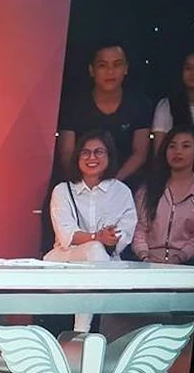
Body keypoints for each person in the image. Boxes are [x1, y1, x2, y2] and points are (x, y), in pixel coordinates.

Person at [45, 130, 136, 332]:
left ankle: (83, 331)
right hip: (66, 259)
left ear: (109, 156)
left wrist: (110, 239)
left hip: (106, 262)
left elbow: (124, 233)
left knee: (98, 251)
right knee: (94, 248)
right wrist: (97, 237)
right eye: (85, 153)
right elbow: (66, 234)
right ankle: (82, 330)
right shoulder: (62, 190)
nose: (91, 157)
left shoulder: (122, 191)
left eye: (98, 152)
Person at [56, 42, 153, 188]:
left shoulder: (140, 104)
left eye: (117, 65)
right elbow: (67, 153)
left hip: (124, 183)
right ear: (92, 70)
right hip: (80, 182)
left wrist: (112, 184)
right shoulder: (73, 104)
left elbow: (139, 153)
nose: (110, 71)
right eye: (103, 65)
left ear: (126, 68)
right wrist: (87, 183)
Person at [133, 125, 194, 265]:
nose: (177, 151)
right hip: (148, 263)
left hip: (188, 263)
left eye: (185, 146)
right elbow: (140, 229)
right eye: (172, 146)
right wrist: (145, 256)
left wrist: (179, 257)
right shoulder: (149, 187)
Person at [151, 50, 194, 175]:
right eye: (188, 68)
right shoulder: (166, 105)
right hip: (170, 174)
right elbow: (159, 153)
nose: (193, 73)